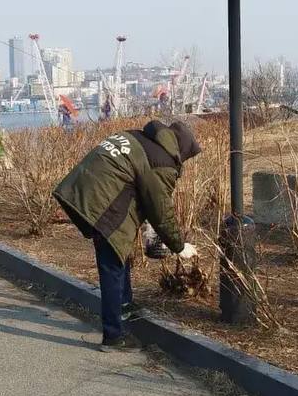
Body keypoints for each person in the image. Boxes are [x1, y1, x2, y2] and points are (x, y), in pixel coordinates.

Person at [54, 118, 201, 349]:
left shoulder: (140, 137)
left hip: (82, 188)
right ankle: (113, 335)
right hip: (102, 202)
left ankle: (124, 304)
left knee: (120, 252)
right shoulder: (162, 160)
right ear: (181, 150)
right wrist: (179, 246)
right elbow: (160, 210)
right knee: (112, 262)